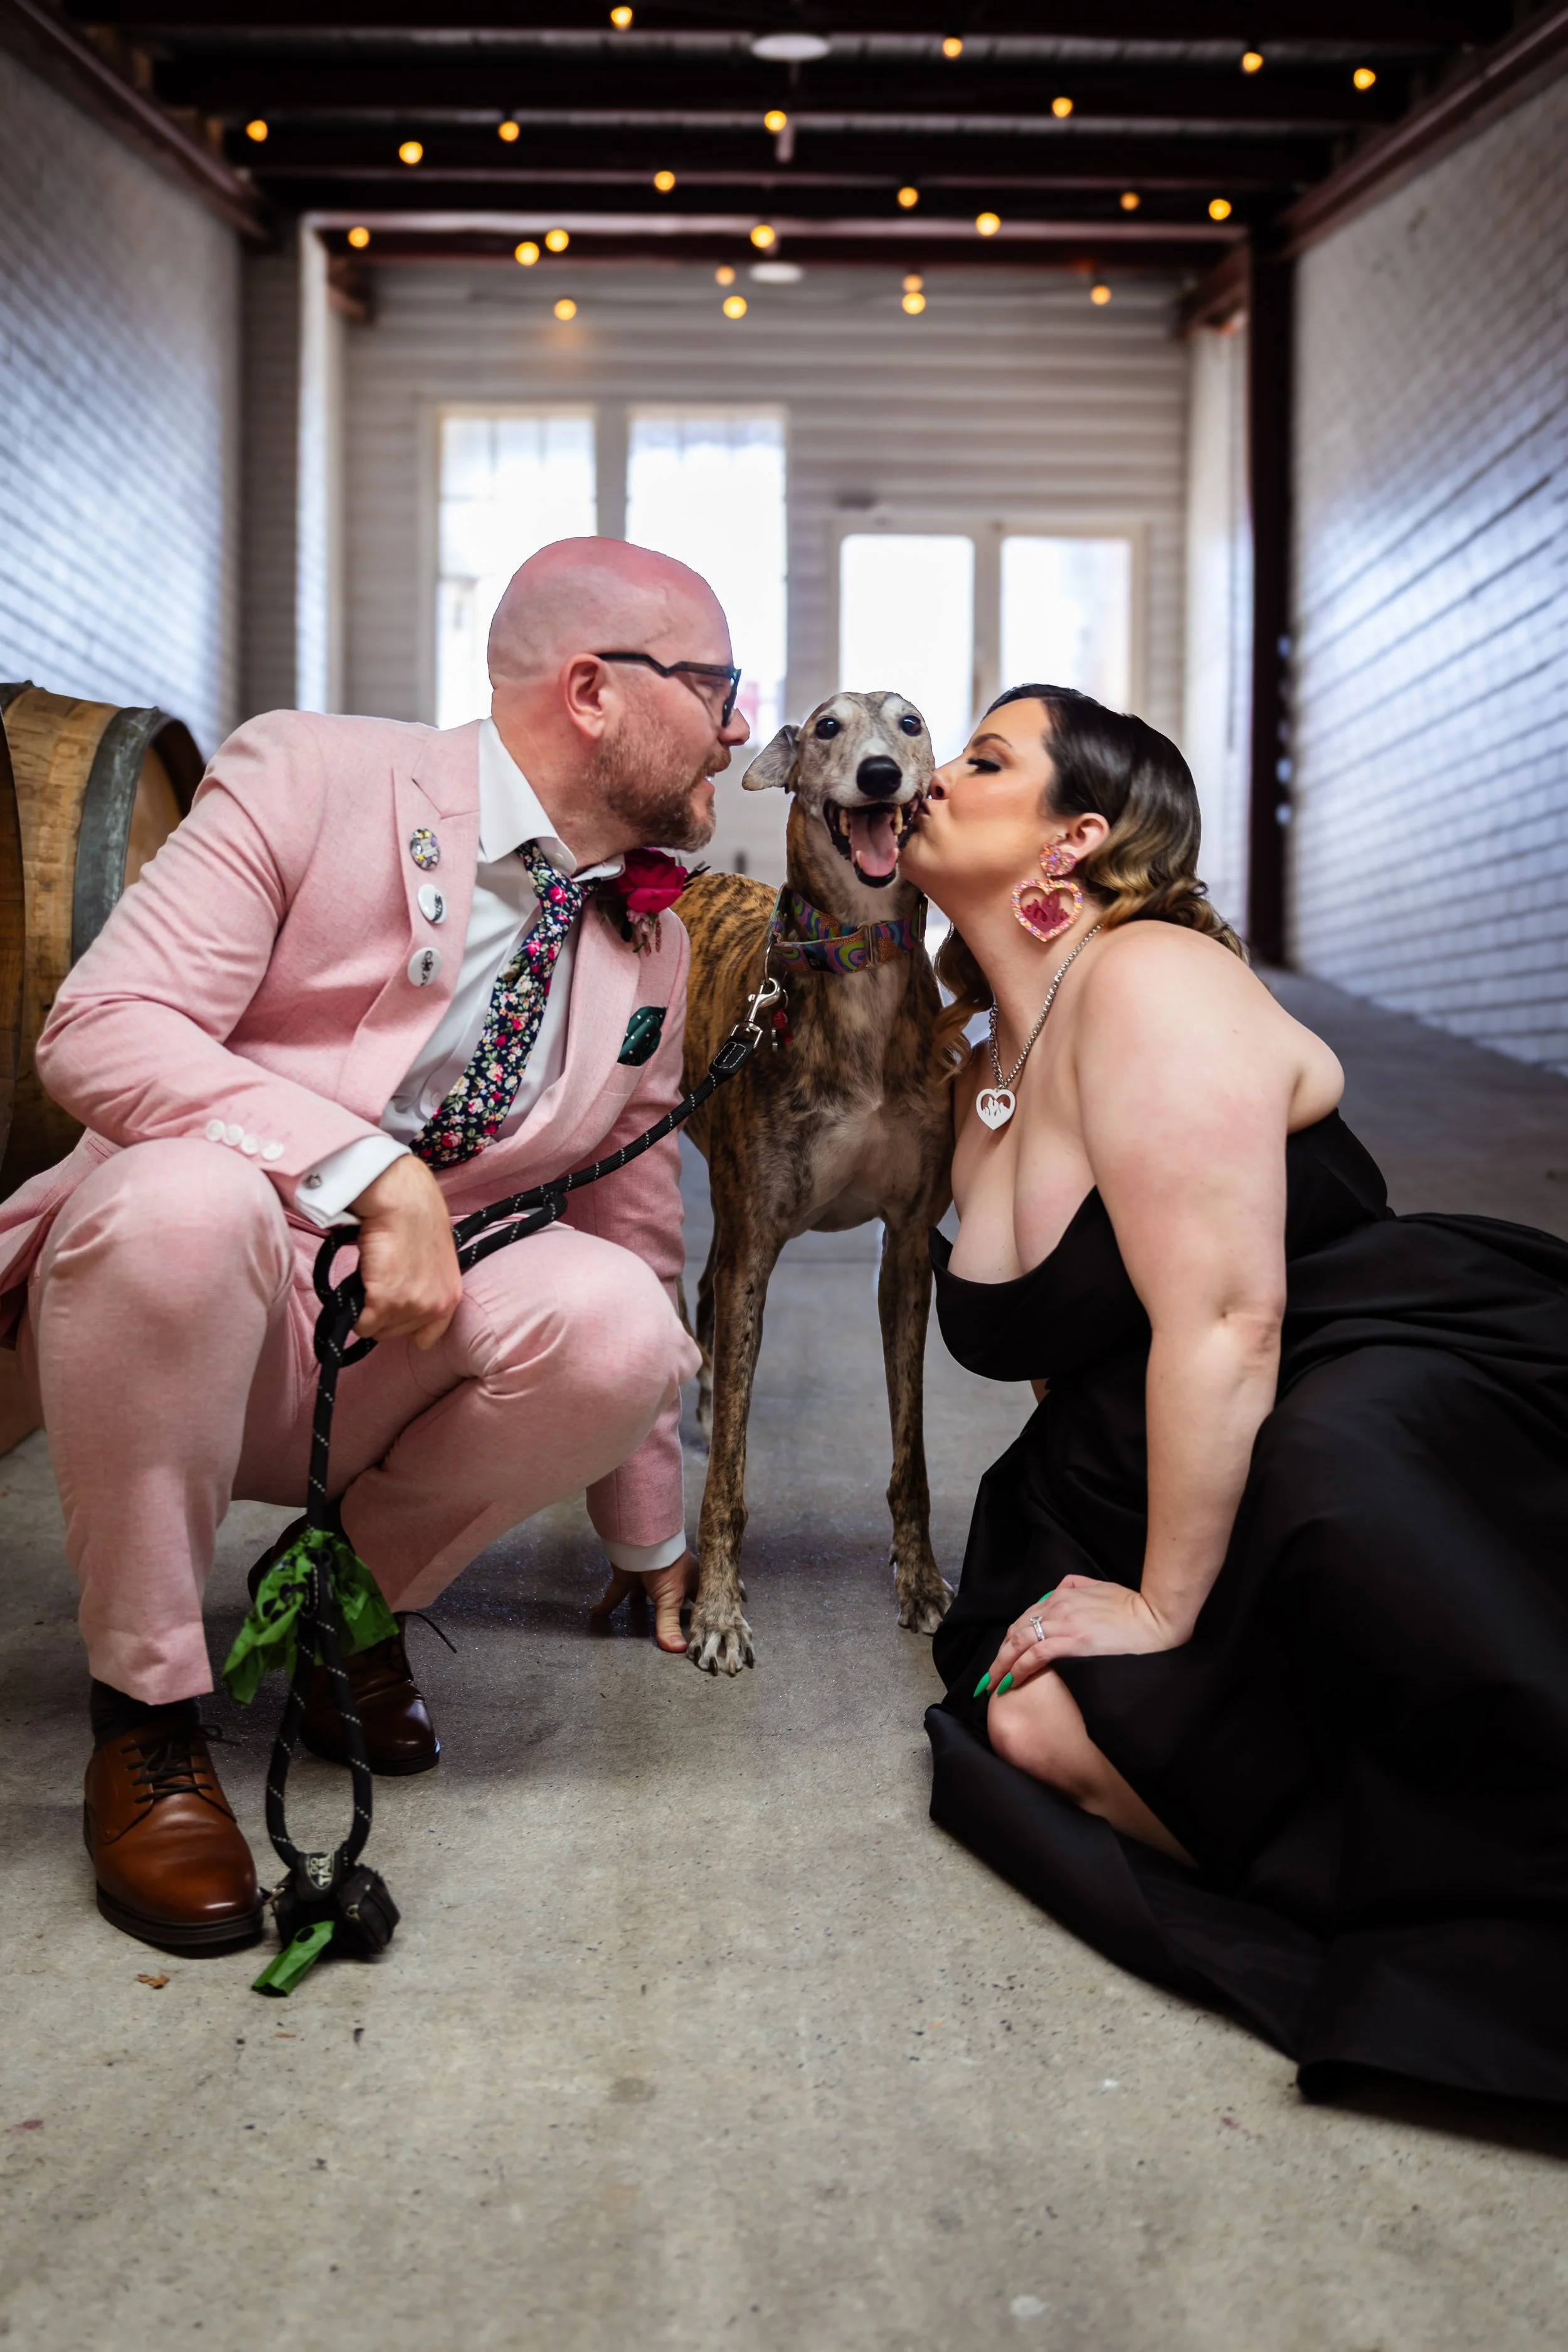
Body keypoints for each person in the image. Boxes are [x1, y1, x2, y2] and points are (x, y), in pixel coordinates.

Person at [0, 537, 749, 1954]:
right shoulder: (315, 776)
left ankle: (342, 1611)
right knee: (184, 1202)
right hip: (192, 1300)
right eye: (715, 684)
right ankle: (148, 1720)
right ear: (591, 691)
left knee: (623, 1327)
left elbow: (629, 1213)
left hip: (398, 1338)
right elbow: (101, 1030)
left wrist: (650, 1526)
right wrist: (368, 1171)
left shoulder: (653, 938)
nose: (738, 724)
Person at [899, 682, 1568, 2105]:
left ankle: (1496, 1884)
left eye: (981, 757)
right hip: (1134, 1457)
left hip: (1356, 1372)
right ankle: (1401, 1885)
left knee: (1335, 1483)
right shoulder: (979, 1084)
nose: (933, 776)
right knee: (1021, 1724)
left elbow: (1223, 1315)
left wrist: (1156, 1605)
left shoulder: (1148, 974)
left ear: (1071, 842)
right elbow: (1058, 1350)